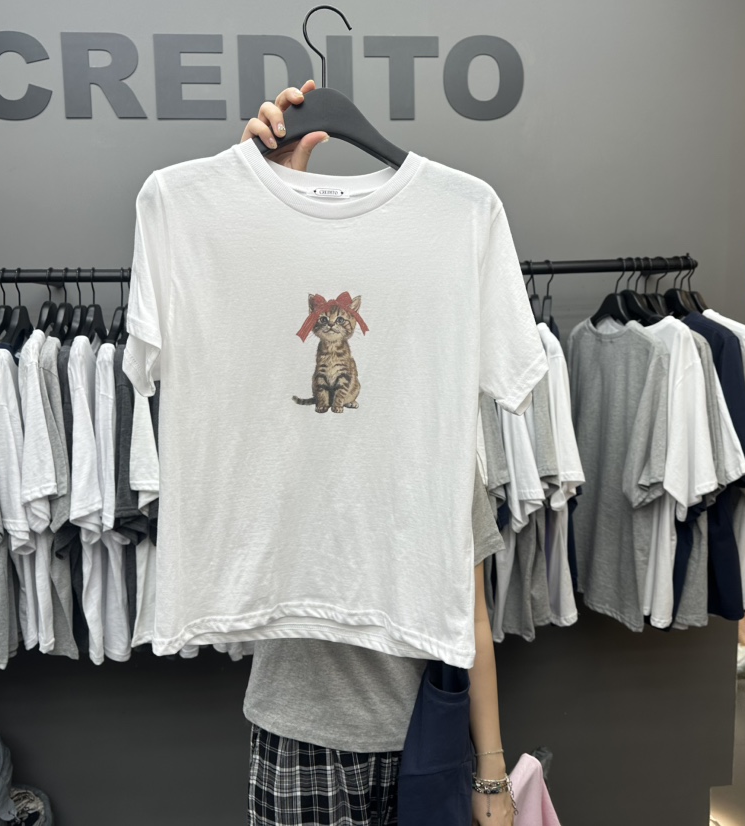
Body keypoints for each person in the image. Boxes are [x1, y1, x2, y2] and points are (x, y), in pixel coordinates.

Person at [238, 81, 516, 826]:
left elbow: (474, 617)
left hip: (423, 735)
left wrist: (492, 774)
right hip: (295, 734)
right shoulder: (276, 424)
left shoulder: (438, 438)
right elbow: (242, 338)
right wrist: (259, 199)